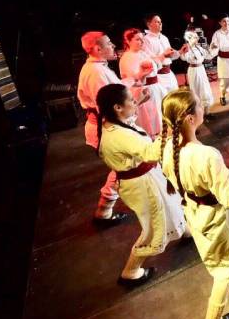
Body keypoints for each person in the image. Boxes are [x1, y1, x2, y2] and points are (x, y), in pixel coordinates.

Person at [160, 89, 229, 319]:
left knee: (226, 258)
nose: (203, 107)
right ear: (190, 118)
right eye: (199, 105)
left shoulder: (168, 148)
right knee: (223, 270)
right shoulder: (206, 155)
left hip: (196, 213)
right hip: (217, 218)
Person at [96, 84, 187, 286]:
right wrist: (170, 131)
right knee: (154, 227)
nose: (134, 102)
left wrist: (139, 101)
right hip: (142, 184)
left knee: (171, 205)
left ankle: (186, 231)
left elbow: (130, 122)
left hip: (145, 178)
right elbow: (151, 153)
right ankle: (131, 271)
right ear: (117, 107)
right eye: (131, 100)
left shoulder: (113, 123)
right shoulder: (120, 135)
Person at [77, 31, 127, 224]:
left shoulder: (99, 68)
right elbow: (107, 106)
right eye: (109, 43)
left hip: (107, 124)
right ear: (98, 49)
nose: (113, 45)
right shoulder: (95, 73)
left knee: (124, 167)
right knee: (122, 168)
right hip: (104, 126)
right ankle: (103, 212)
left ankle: (104, 212)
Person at [119, 28, 167, 137]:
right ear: (128, 41)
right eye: (137, 39)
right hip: (144, 92)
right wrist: (142, 76)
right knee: (150, 121)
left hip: (155, 88)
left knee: (160, 116)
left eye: (142, 39)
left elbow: (156, 66)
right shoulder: (127, 58)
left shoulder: (143, 53)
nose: (141, 42)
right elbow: (131, 80)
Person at [142, 13, 181, 92]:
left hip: (169, 74)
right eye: (157, 22)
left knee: (175, 97)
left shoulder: (164, 38)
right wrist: (164, 55)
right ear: (149, 24)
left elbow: (170, 57)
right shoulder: (146, 40)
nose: (160, 23)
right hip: (158, 76)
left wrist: (180, 52)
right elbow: (150, 61)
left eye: (160, 21)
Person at [180, 30, 214, 113]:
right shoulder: (187, 48)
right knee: (196, 89)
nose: (197, 39)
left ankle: (207, 112)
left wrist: (212, 49)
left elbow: (208, 55)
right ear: (189, 39)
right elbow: (184, 58)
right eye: (195, 37)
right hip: (193, 71)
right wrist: (184, 51)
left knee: (204, 88)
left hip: (201, 69)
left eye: (197, 37)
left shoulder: (199, 48)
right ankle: (198, 111)